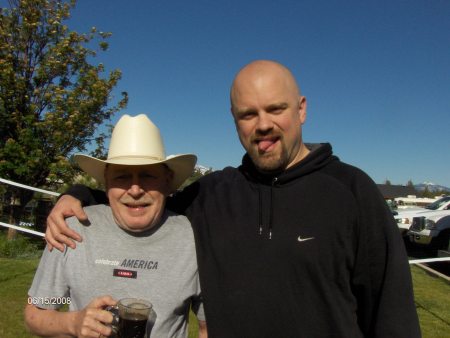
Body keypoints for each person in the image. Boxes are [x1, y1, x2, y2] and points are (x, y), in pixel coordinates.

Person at [45, 61, 421, 337]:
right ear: (233, 119)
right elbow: (140, 195)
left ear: (302, 108)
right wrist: (75, 194)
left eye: (276, 109)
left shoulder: (352, 192)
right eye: (248, 113)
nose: (262, 124)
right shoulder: (213, 193)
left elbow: (393, 314)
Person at [25, 114, 207, 338]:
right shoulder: (70, 229)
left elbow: (206, 327)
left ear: (167, 181)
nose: (135, 190)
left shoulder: (193, 238)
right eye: (122, 177)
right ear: (106, 182)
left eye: (148, 176)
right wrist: (72, 322)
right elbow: (36, 311)